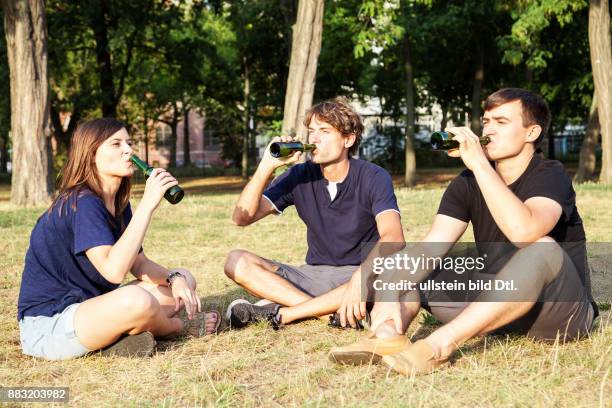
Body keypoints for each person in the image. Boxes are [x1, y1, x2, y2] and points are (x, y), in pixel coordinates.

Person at [330, 88, 598, 374]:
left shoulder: (550, 174)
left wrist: (480, 165)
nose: (489, 130)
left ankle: (437, 347)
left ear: (531, 132)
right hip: (500, 305)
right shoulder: (468, 181)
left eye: (501, 122)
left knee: (542, 248)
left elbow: (525, 232)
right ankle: (386, 335)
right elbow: (432, 246)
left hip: (560, 312)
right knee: (409, 262)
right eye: (486, 122)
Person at [17, 118, 219, 360]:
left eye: (129, 143)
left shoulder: (118, 204)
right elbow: (113, 272)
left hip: (92, 308)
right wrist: (147, 205)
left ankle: (121, 339)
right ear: (91, 154)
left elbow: (139, 264)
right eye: (116, 144)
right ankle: (177, 329)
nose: (128, 150)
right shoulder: (83, 202)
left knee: (185, 278)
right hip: (50, 326)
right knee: (137, 301)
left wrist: (175, 279)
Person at [224, 97, 405, 329]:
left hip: (361, 273)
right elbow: (241, 218)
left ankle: (283, 311)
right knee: (236, 261)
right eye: (311, 131)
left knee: (390, 276)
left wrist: (360, 277)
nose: (314, 139)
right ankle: (326, 314)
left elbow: (394, 237)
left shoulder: (374, 176)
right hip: (312, 275)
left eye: (324, 131)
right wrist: (266, 166)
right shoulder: (298, 175)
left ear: (348, 139)